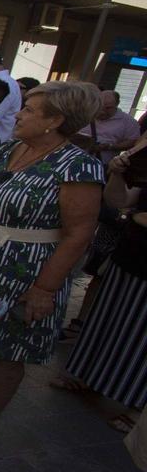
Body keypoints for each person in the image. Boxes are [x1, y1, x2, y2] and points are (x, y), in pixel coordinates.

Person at [0, 81, 103, 443]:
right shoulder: (12, 148)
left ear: (54, 120)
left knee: (6, 350)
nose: (19, 114)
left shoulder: (78, 167)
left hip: (24, 271)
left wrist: (45, 288)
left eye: (28, 109)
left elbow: (78, 233)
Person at [55, 136, 147, 433]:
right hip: (133, 253)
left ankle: (137, 406)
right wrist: (119, 173)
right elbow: (121, 201)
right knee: (110, 319)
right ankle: (90, 375)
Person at [76, 90, 140, 165]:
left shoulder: (128, 122)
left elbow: (132, 142)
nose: (102, 111)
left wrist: (110, 146)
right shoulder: (82, 114)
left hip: (101, 163)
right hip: (73, 158)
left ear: (117, 104)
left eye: (108, 108)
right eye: (100, 106)